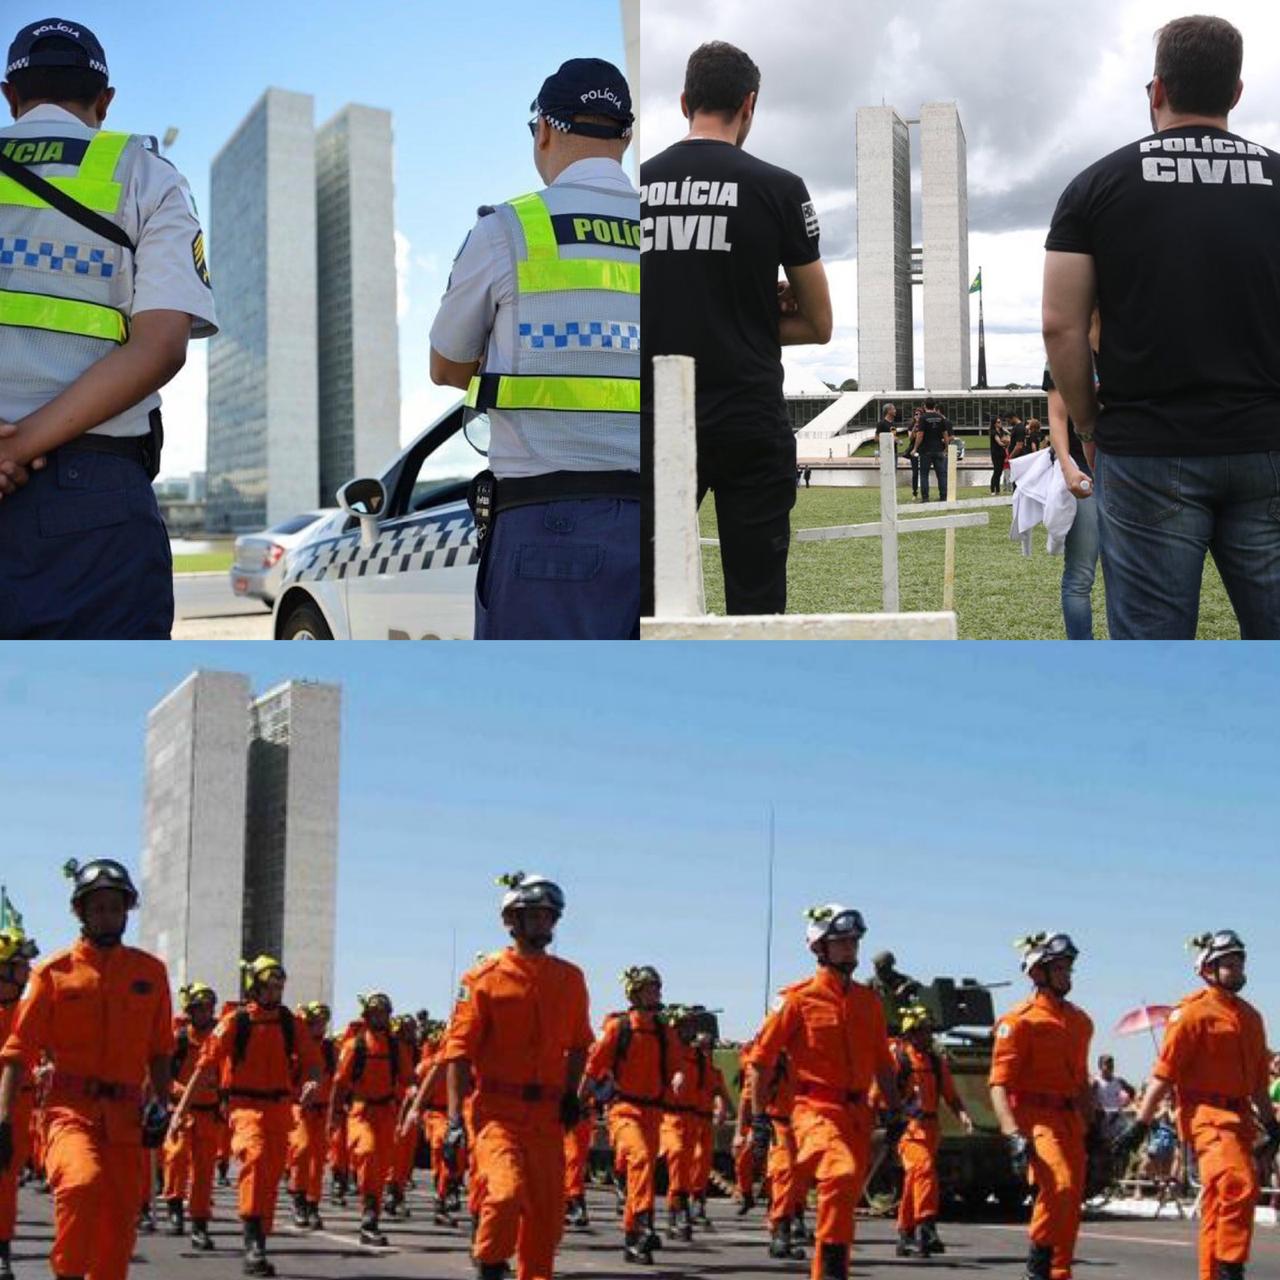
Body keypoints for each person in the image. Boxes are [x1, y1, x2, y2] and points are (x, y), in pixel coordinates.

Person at [1044, 15, 1280, 639]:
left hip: (1149, 446)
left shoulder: (1096, 185)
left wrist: (1089, 417)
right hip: (1268, 440)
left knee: (1155, 655)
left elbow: (1059, 326)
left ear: (1157, 91)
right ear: (1235, 92)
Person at [0, 19, 217, 639]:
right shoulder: (146, 174)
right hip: (94, 499)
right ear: (104, 102)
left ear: (10, 96)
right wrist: (18, 446)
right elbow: (160, 346)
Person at [428, 59, 639, 640]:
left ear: (544, 129)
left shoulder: (507, 230)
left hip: (546, 528)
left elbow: (445, 365)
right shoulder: (662, 233)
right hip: (658, 522)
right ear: (625, 136)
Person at [641, 41, 831, 616]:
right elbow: (819, 324)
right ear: (749, 105)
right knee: (756, 603)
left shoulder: (638, 186)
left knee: (652, 605)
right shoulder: (779, 187)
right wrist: (755, 310)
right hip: (748, 416)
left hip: (657, 421)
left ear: (683, 102)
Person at [0, 860, 174, 1280]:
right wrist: (4, 1117)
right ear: (80, 912)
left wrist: (162, 1106)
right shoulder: (54, 973)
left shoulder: (150, 973)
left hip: (128, 1119)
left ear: (127, 910)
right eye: (97, 908)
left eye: (116, 907)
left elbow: (161, 1051)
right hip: (68, 1113)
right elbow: (18, 1053)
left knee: (120, 1222)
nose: (107, 916)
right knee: (81, 1183)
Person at [439, 873, 593, 1280]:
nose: (544, 924)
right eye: (535, 916)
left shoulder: (570, 979)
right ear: (512, 921)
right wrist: (455, 1120)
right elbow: (457, 1052)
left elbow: (580, 1043)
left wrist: (571, 1094)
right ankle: (491, 1267)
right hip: (496, 1114)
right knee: (504, 1195)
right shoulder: (482, 979)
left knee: (547, 1221)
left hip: (547, 1119)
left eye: (549, 916)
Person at [749, 905, 899, 1280]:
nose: (851, 949)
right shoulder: (797, 1000)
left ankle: (832, 1270)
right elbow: (761, 1060)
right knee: (840, 1174)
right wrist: (757, 1116)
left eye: (853, 942)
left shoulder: (868, 1002)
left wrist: (895, 1111)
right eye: (842, 942)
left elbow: (883, 1063)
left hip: (858, 1115)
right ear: (820, 947)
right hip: (814, 1108)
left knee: (845, 1198)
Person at [1122, 932, 1278, 1280]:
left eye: (1240, 963)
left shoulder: (1251, 1018)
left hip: (1240, 1119)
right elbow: (1164, 1074)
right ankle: (1230, 1271)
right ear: (1208, 970)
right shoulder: (1191, 1014)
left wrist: (1273, 1125)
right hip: (1205, 1116)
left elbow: (1257, 1084)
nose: (1238, 970)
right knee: (1239, 1185)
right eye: (1229, 965)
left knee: (1220, 1202)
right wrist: (1140, 1124)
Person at [170, 955, 321, 1278]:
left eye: (280, 985)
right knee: (254, 1158)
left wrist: (313, 1080)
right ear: (255, 986)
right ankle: (252, 1243)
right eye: (269, 985)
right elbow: (204, 1066)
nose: (276, 991)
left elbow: (312, 1059)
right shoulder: (235, 1022)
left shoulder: (289, 1023)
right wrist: (178, 1112)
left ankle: (260, 1239)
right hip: (244, 1107)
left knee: (270, 1172)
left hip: (280, 1110)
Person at [989, 932, 1093, 1280]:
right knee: (1058, 1186)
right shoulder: (1018, 1021)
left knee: (1072, 1199)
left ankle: (1058, 1271)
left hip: (1070, 1121)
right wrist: (1012, 1134)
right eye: (1060, 969)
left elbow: (1082, 1082)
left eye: (1068, 969)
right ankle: (1037, 1267)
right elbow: (999, 1084)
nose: (1067, 976)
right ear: (1038, 973)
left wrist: (1094, 1126)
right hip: (1036, 1120)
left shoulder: (1080, 1022)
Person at [584, 964, 684, 1265]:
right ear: (635, 993)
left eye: (657, 988)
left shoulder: (665, 1032)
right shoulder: (620, 1028)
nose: (656, 993)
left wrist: (678, 1077)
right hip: (623, 1108)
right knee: (639, 1158)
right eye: (650, 989)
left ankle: (633, 1240)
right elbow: (593, 1068)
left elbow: (677, 1065)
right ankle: (643, 1222)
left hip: (654, 1111)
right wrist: (577, 1103)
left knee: (645, 1173)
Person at [890, 1002, 973, 1259]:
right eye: (924, 1031)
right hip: (909, 1127)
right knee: (923, 1170)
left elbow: (950, 1096)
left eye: (929, 1031)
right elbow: (881, 1091)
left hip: (931, 1128)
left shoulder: (936, 1062)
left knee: (916, 1179)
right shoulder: (899, 1059)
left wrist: (963, 1116)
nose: (929, 1035)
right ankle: (927, 1229)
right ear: (911, 1032)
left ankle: (905, 1235)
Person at [1045, 313, 1102, 640]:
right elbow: (1056, 416)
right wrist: (1067, 466)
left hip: (1127, 468)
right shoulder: (1065, 349)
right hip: (1083, 471)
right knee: (1081, 575)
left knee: (1130, 576)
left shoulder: (1126, 344)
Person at [329, 992, 399, 1246]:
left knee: (381, 1169)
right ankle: (368, 1217)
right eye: (375, 1013)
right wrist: (334, 1117)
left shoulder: (393, 1046)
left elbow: (405, 1080)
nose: (380, 1017)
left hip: (387, 1113)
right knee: (367, 1154)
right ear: (367, 1016)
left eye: (384, 1013)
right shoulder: (354, 1046)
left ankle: (372, 1217)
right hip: (361, 1111)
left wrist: (412, 1101)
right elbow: (339, 1085)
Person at [161, 982, 221, 1251]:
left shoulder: (221, 1037)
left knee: (204, 1171)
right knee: (175, 1157)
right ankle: (174, 1207)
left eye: (209, 1008)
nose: (205, 1013)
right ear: (191, 1010)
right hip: (181, 1112)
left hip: (210, 1114)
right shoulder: (180, 1039)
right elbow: (164, 1074)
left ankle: (199, 1223)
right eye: (200, 1008)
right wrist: (182, 1090)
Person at [0, 926, 38, 1280]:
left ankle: (2, 1250)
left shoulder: (32, 1008)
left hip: (18, 1105)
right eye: (20, 965)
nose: (28, 971)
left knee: (5, 1179)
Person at [287, 1001, 332, 1232]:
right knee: (302, 1150)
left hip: (322, 1110)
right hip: (299, 1108)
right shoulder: (296, 1049)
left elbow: (336, 1081)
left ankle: (313, 1204)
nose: (320, 1028)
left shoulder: (330, 1049)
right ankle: (298, 1199)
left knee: (318, 1159)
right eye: (316, 1023)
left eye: (323, 1023)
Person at [916, 399, 951, 502]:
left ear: (925, 406)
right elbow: (945, 434)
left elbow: (920, 434)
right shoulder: (940, 417)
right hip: (939, 449)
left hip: (926, 450)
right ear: (934, 406)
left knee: (924, 474)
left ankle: (925, 497)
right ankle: (943, 496)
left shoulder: (923, 418)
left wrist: (915, 448)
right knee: (941, 475)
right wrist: (946, 447)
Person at [989, 416, 1010, 494]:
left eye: (1000, 421)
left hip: (1002, 453)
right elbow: (999, 442)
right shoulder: (993, 432)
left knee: (1000, 472)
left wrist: (1007, 432)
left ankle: (997, 490)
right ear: (994, 424)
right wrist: (1006, 443)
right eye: (998, 422)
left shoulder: (1002, 431)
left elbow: (1009, 436)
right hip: (996, 454)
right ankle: (992, 489)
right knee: (996, 471)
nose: (1000, 423)